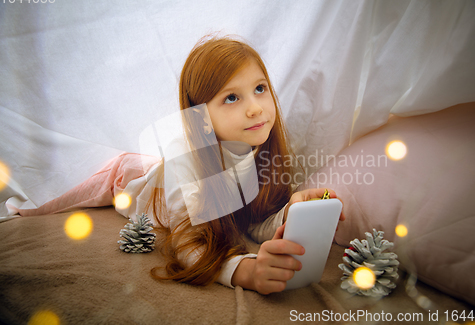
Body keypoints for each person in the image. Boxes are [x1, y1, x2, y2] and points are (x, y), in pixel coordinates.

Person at [13, 35, 345, 295]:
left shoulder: (259, 151)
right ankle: (26, 207)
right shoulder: (181, 161)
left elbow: (250, 221)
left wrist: (289, 213)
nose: (256, 108)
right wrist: (245, 271)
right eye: (232, 97)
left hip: (165, 169)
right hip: (134, 179)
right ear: (199, 115)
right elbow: (187, 243)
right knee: (54, 196)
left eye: (260, 89)